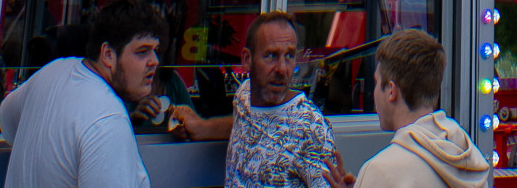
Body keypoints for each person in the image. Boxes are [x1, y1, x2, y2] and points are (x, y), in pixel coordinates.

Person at [168, 10, 345, 188]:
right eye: (271, 56)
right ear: (247, 59)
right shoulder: (244, 95)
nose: (282, 69)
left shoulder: (311, 127)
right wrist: (202, 128)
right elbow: (247, 122)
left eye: (289, 56)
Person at [0, 0, 160, 188]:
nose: (154, 61)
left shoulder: (53, 71)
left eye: (155, 50)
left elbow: (5, 119)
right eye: (142, 51)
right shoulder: (108, 121)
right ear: (108, 54)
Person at [353, 30, 488, 188]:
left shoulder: (379, 171)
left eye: (376, 82)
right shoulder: (471, 166)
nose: (373, 92)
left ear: (391, 90)